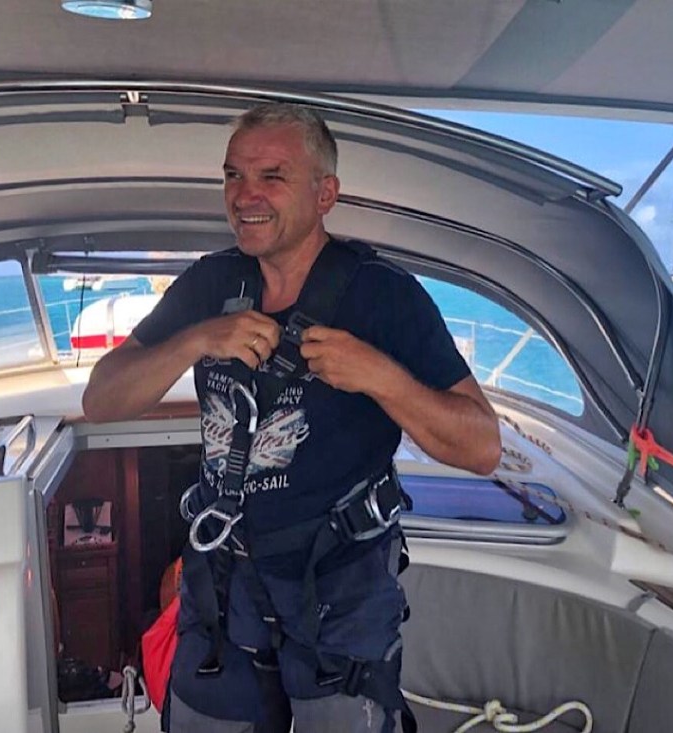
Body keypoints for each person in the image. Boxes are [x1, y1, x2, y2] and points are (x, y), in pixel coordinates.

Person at [82, 103, 501, 733]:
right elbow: (101, 400)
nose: (244, 195)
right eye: (233, 175)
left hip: (340, 586)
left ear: (325, 193)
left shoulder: (384, 295)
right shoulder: (209, 284)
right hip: (224, 580)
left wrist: (380, 375)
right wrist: (197, 339)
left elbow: (482, 446)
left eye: (271, 176)